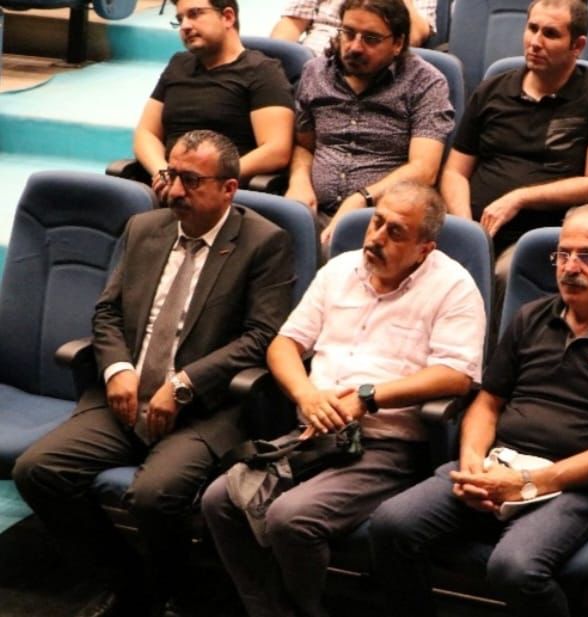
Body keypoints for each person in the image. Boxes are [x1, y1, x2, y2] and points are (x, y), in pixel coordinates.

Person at [13, 130, 296, 617]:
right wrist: (117, 368)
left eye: (192, 180)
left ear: (229, 188)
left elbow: (260, 337)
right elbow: (107, 312)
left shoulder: (264, 242)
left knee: (154, 495)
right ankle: (128, 581)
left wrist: (184, 384)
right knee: (38, 471)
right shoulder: (144, 228)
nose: (175, 190)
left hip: (204, 410)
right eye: (171, 174)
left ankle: (180, 594)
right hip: (125, 397)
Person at [201, 181, 486, 617]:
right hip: (313, 434)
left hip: (387, 447)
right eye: (377, 222)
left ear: (424, 249)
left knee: (291, 519)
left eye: (395, 232)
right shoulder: (340, 270)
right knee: (221, 500)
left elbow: (456, 375)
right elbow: (284, 345)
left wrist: (368, 398)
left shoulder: (453, 287)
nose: (377, 238)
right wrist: (306, 395)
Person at [370, 204, 588, 617]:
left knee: (514, 567)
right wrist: (473, 465)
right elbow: (486, 403)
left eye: (587, 256)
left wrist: (526, 482)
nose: (570, 267)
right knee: (391, 524)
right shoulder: (531, 318)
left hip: (573, 486)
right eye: (563, 254)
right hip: (497, 464)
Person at [440, 0, 588, 273]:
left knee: (505, 274)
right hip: (476, 228)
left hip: (542, 238)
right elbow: (455, 172)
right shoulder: (492, 90)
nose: (535, 42)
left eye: (550, 34)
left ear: (577, 46)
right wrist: (469, 230)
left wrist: (519, 198)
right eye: (532, 29)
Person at [285, 0, 454, 246]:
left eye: (371, 39)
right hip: (312, 211)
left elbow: (424, 169)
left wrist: (362, 198)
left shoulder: (425, 83)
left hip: (381, 220)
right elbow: (304, 146)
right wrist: (299, 181)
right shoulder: (315, 72)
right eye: (348, 33)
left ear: (397, 43)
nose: (355, 47)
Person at [135, 0, 295, 190]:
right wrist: (163, 172)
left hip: (222, 193)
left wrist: (210, 180)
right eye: (180, 19)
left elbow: (276, 150)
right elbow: (146, 132)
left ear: (227, 17)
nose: (185, 26)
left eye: (195, 14)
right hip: (168, 188)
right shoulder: (178, 64)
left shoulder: (263, 71)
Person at [271, 0, 436, 54]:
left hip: (373, 64)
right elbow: (292, 23)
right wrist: (274, 61)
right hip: (315, 56)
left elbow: (413, 37)